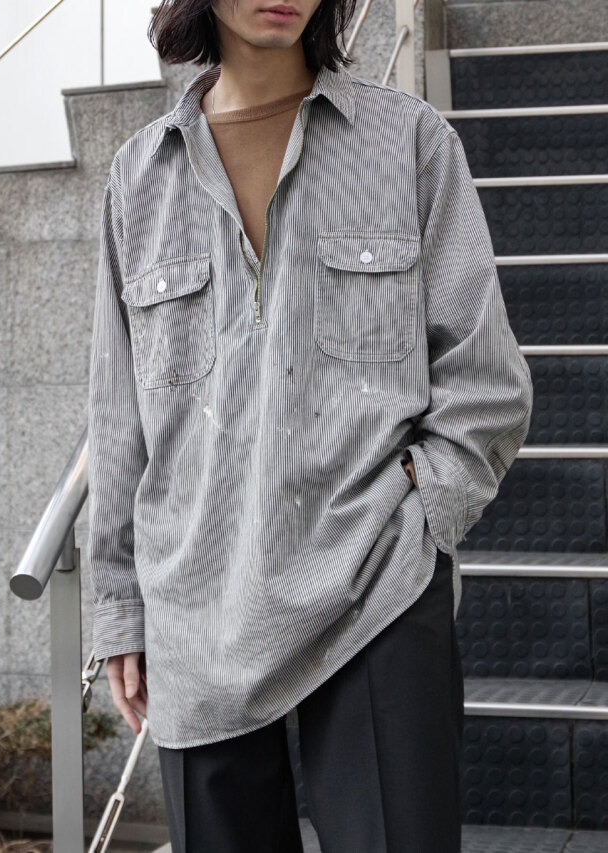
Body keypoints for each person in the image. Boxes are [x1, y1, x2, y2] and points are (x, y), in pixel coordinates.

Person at [86, 0, 534, 849]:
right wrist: (119, 606)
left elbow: (485, 379)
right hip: (199, 611)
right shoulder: (138, 178)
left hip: (376, 590)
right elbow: (117, 420)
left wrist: (421, 513)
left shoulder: (410, 143)